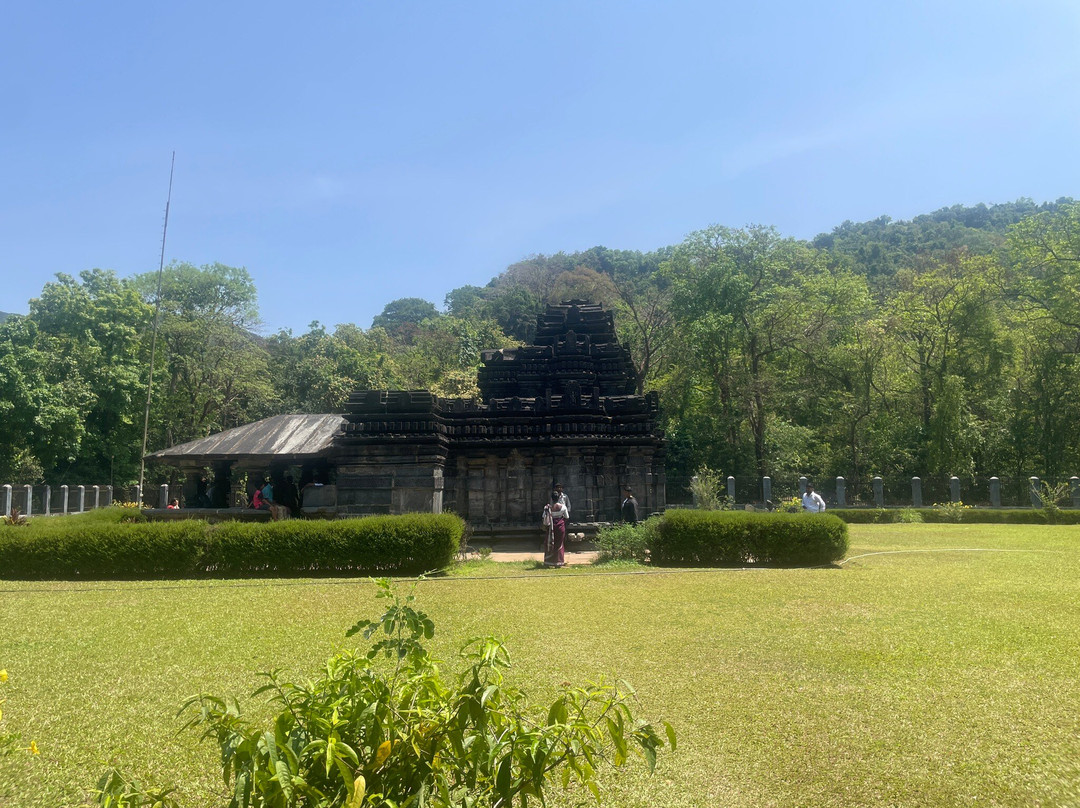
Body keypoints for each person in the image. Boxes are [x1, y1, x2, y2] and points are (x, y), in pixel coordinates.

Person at [541, 490, 568, 568]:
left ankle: (548, 562)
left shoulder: (547, 508)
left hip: (550, 528)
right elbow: (567, 517)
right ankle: (558, 562)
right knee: (559, 544)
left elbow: (544, 517)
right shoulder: (563, 507)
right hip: (560, 527)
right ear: (559, 497)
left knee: (549, 543)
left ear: (552, 498)